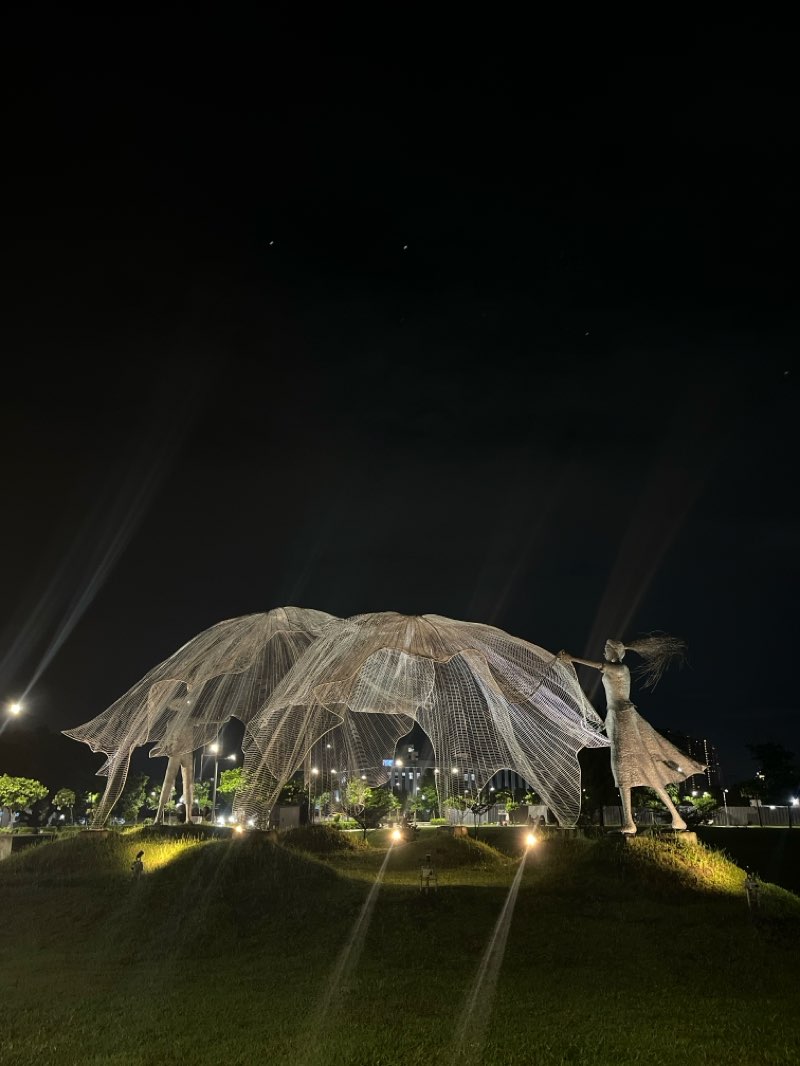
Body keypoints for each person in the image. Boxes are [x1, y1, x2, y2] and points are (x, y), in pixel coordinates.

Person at [558, 635, 706, 835]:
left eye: (606, 649)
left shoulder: (621, 668)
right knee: (625, 770)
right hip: (615, 719)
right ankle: (662, 819)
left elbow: (601, 667)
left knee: (626, 768)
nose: (604, 652)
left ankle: (648, 820)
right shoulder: (615, 668)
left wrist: (573, 658)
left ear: (614, 652)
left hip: (623, 718)